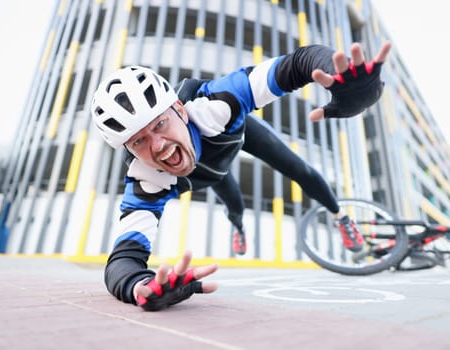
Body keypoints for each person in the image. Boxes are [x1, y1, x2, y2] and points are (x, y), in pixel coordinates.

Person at [91, 41, 392, 311]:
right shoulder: (146, 178)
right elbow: (123, 261)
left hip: (235, 136)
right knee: (234, 206)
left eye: (159, 125)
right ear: (128, 148)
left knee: (297, 168)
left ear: (180, 110)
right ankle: (238, 226)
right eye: (138, 141)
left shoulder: (216, 103)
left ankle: (341, 217)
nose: (159, 147)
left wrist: (346, 82)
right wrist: (140, 288)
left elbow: (297, 64)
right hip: (214, 174)